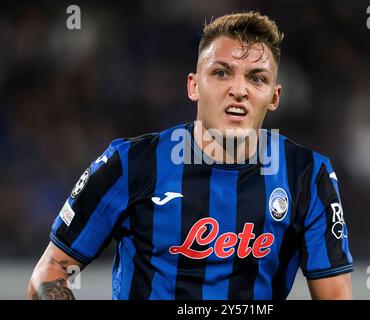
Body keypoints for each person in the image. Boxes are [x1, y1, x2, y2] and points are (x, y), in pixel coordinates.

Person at [28, 11, 353, 300]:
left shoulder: (308, 176)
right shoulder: (129, 164)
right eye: (222, 73)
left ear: (274, 97)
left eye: (256, 78)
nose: (239, 89)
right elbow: (50, 273)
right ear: (194, 86)